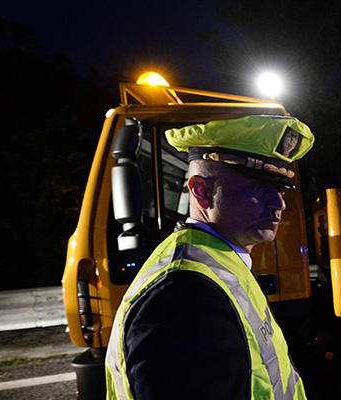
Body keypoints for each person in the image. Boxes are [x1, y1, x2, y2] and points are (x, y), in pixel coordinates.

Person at [105, 115, 315, 400]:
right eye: (258, 188)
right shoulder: (185, 295)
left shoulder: (217, 263)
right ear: (201, 192)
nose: (279, 203)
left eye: (279, 188)